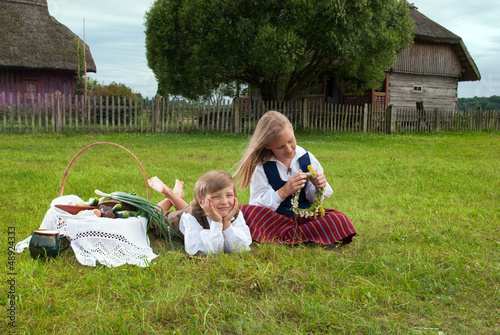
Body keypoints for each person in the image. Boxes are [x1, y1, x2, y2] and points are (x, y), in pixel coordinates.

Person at [233, 111, 356, 245]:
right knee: (246, 212)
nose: (289, 149)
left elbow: (314, 198)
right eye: (280, 147)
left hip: (305, 217)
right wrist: (284, 191)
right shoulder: (262, 166)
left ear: (292, 129)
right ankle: (302, 236)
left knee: (339, 219)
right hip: (275, 220)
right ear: (268, 145)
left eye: (290, 140)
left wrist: (319, 186)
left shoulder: (306, 157)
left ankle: (284, 237)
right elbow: (257, 204)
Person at [148, 171, 252, 256]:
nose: (224, 201)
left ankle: (175, 195)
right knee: (151, 215)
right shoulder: (191, 217)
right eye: (216, 196)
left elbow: (243, 247)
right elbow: (205, 251)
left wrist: (227, 223)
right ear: (202, 202)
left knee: (190, 210)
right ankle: (169, 193)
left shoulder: (234, 213)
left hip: (198, 210)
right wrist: (216, 222)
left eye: (229, 195)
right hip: (176, 221)